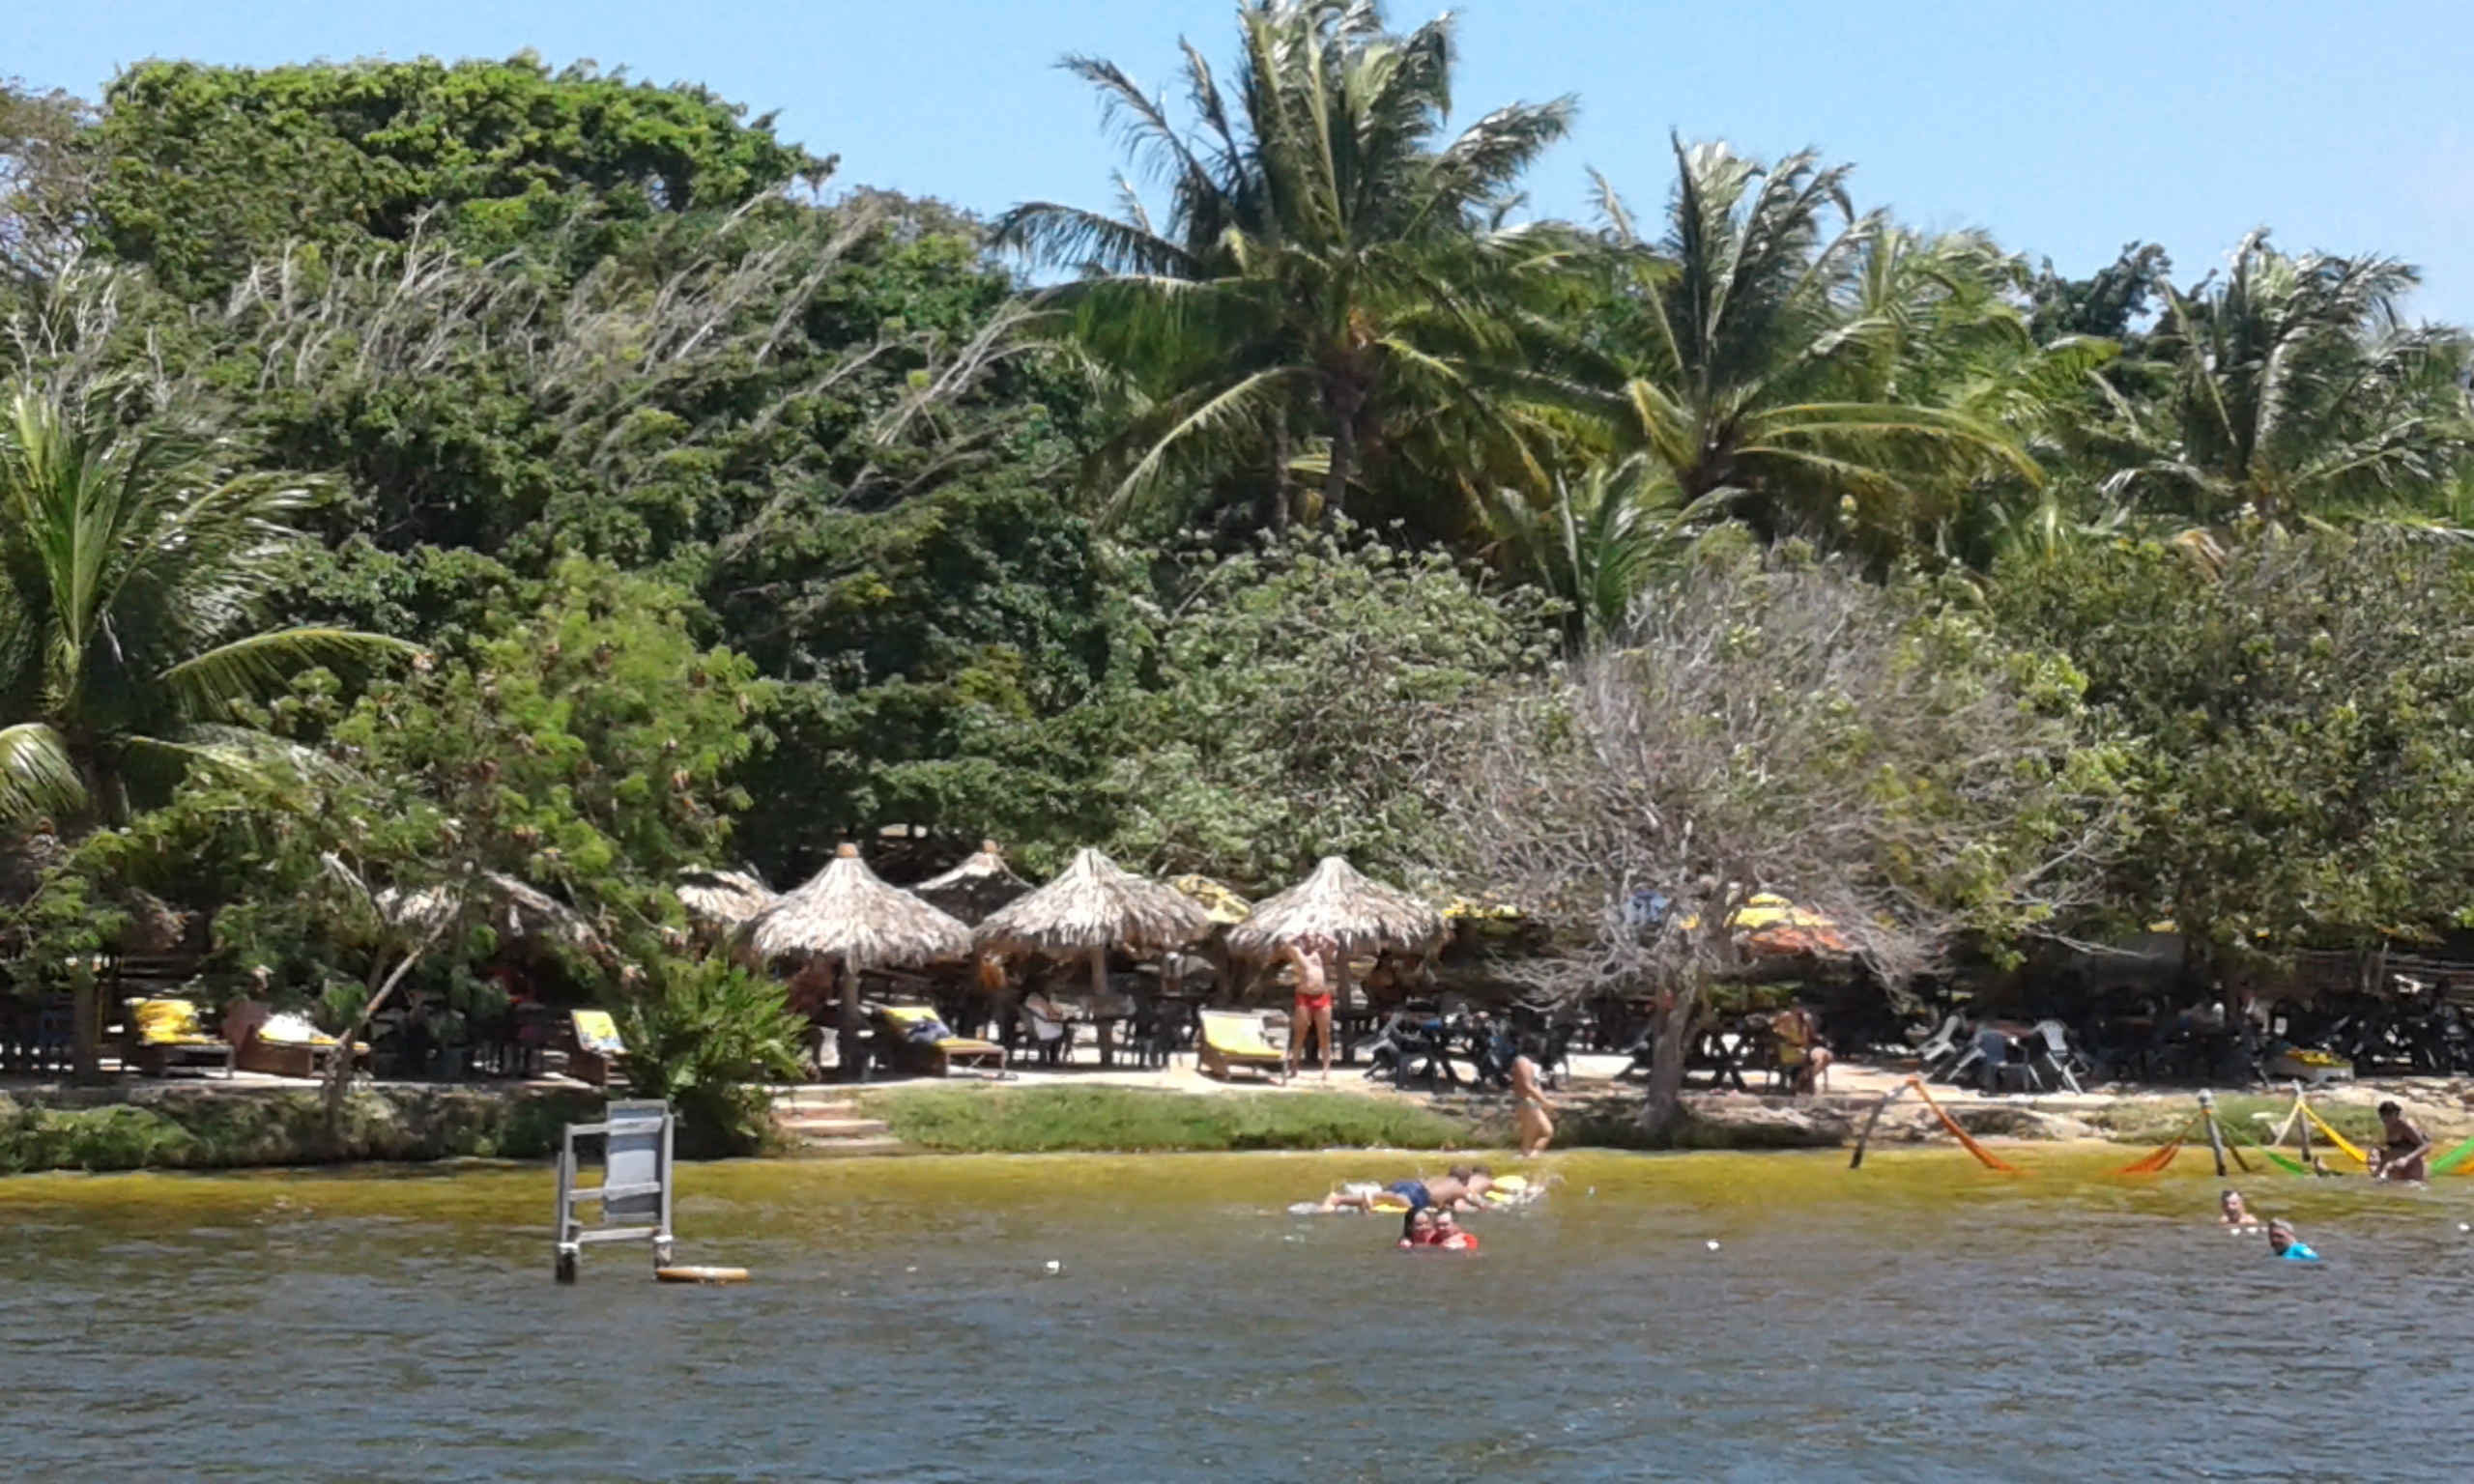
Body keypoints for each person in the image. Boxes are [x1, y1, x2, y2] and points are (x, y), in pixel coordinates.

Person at [1282, 933, 1338, 1082]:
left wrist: (1321, 935)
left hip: (1322, 996)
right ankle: (1294, 1064)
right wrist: (1301, 934)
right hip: (1304, 996)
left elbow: (1334, 944)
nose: (1310, 941)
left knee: (1324, 1032)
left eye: (1312, 939)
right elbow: (1286, 942)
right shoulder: (1298, 953)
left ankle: (1326, 1067)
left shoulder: (1321, 954)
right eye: (1307, 939)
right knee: (1301, 1031)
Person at [1773, 1002, 1833, 1096]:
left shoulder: (1805, 1018)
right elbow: (1778, 1035)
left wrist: (1808, 1024)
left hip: (1807, 1047)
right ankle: (1804, 1082)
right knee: (1803, 1056)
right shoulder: (1784, 1017)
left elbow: (1812, 1037)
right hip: (1790, 1048)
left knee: (1826, 1056)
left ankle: (1802, 1078)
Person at [1510, 1046, 1555, 1158]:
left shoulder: (1528, 1063)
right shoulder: (1523, 1062)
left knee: (1547, 1132)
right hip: (1526, 1101)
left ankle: (1530, 1158)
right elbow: (1528, 1085)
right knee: (1529, 1137)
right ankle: (1524, 1160)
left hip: (1531, 1102)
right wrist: (1545, 1102)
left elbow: (1533, 1085)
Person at [2371, 1100, 2431, 1183]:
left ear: (2395, 1115)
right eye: (2383, 1118)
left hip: (2412, 1164)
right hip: (2396, 1165)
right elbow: (2390, 1148)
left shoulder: (2404, 1126)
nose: (2385, 1120)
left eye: (2388, 1117)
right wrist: (2379, 1166)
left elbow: (2426, 1146)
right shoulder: (2387, 1126)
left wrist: (2407, 1159)